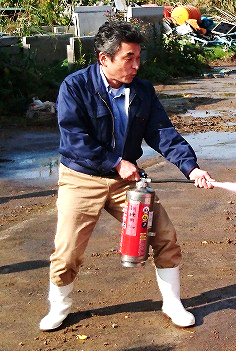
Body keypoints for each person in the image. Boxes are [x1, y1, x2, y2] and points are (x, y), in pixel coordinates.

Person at [40, 21, 215, 331]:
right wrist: (116, 161)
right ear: (104, 59)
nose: (136, 66)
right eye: (129, 58)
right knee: (67, 251)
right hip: (82, 179)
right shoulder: (75, 86)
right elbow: (74, 139)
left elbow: (162, 133)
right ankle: (60, 307)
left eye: (138, 57)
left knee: (164, 235)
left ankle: (172, 303)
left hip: (127, 182)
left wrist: (191, 167)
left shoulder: (143, 91)